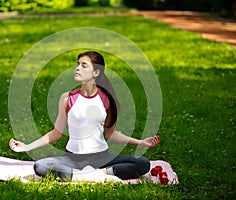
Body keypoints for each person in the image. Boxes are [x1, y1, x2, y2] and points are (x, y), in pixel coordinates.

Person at [9, 51, 160, 183]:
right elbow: (56, 133)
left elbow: (111, 133)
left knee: (143, 163)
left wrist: (140, 142)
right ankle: (90, 176)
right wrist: (26, 147)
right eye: (77, 64)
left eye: (84, 65)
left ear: (96, 72)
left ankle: (99, 174)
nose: (77, 68)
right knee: (40, 166)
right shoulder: (66, 98)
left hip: (102, 158)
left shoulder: (106, 99)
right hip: (72, 159)